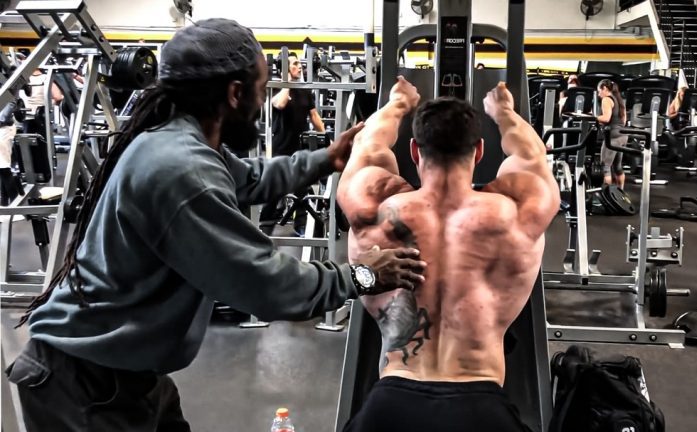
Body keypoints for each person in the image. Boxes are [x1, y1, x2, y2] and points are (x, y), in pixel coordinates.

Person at [5, 19, 426, 432]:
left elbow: (252, 179)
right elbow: (266, 285)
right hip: (84, 386)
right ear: (235, 93)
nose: (262, 103)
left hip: (128, 372)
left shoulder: (180, 141)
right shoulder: (180, 168)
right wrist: (363, 274)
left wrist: (326, 159)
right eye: (261, 89)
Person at [336, 77, 560, 431]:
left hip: (392, 403)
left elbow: (367, 143)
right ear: (480, 151)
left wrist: (398, 103)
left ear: (414, 151)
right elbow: (532, 155)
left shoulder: (373, 205)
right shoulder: (518, 211)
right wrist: (503, 112)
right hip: (482, 407)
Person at [262, 51, 326, 235]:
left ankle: (301, 225)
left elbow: (314, 116)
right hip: (280, 147)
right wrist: (287, 82)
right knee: (275, 188)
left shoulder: (304, 90)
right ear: (285, 69)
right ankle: (265, 225)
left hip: (300, 147)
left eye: (300, 63)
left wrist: (326, 138)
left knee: (302, 188)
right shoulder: (276, 88)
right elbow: (280, 104)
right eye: (295, 64)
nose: (300, 66)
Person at [596, 78, 628, 189]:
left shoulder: (606, 99)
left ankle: (607, 195)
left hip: (612, 137)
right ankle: (621, 192)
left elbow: (606, 118)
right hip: (622, 136)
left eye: (599, 91)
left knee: (605, 167)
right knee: (617, 167)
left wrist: (593, 118)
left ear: (604, 88)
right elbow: (623, 120)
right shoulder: (619, 99)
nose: (599, 94)